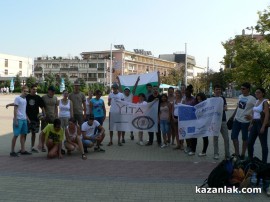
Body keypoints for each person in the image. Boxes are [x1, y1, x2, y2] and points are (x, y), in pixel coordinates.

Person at [6, 84, 46, 153]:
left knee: (33, 133)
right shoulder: (26, 97)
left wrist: (44, 114)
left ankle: (32, 147)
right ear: (30, 89)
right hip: (26, 118)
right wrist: (10, 104)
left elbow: (42, 107)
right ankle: (22, 148)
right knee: (24, 134)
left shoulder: (38, 97)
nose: (35, 91)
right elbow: (17, 104)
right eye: (33, 89)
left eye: (36, 90)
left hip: (35, 118)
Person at [230, 82, 256, 160]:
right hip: (237, 120)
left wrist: (252, 117)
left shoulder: (252, 99)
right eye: (241, 88)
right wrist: (232, 116)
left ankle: (242, 154)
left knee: (244, 138)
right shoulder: (240, 96)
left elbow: (256, 110)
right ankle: (237, 153)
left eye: (243, 89)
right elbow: (238, 107)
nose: (242, 90)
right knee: (233, 136)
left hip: (245, 122)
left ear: (248, 89)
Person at [248, 87, 269, 163]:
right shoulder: (256, 101)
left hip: (261, 123)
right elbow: (254, 113)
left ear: (263, 93)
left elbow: (267, 115)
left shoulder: (265, 101)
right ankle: (250, 159)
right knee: (249, 142)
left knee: (263, 144)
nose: (257, 94)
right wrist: (251, 124)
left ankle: (264, 162)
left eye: (259, 92)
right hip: (254, 123)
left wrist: (263, 126)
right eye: (256, 92)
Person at [10, 86, 32, 157]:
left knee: (23, 135)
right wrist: (15, 120)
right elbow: (15, 109)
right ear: (22, 91)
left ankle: (23, 150)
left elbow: (23, 110)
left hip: (24, 119)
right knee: (16, 135)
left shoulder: (25, 99)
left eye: (27, 91)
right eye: (25, 91)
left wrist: (27, 118)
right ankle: (12, 151)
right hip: (18, 119)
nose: (26, 92)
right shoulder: (17, 98)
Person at [117, 76, 140, 142]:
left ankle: (131, 134)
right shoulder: (122, 95)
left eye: (128, 91)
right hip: (123, 113)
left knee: (131, 124)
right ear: (124, 91)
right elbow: (120, 88)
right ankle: (123, 138)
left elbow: (134, 88)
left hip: (130, 112)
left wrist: (137, 81)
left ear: (129, 91)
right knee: (124, 125)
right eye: (126, 91)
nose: (127, 92)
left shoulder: (131, 95)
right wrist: (118, 80)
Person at [212, 84, 230, 160]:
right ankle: (216, 154)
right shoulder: (211, 99)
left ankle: (227, 155)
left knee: (226, 138)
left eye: (219, 89)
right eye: (217, 89)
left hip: (223, 121)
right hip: (215, 122)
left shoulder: (222, 98)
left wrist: (218, 108)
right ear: (214, 90)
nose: (218, 91)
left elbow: (226, 108)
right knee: (215, 138)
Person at [40, 86, 58, 152]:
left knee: (53, 132)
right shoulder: (43, 97)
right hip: (45, 117)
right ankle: (42, 146)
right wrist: (42, 114)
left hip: (53, 117)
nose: (53, 92)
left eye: (54, 91)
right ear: (48, 91)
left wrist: (56, 115)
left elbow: (56, 107)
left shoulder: (55, 98)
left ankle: (53, 145)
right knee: (43, 132)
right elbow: (41, 106)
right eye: (52, 91)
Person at [182, 85, 196, 155]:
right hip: (185, 119)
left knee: (191, 134)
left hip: (192, 120)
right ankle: (188, 146)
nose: (186, 94)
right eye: (185, 93)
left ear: (190, 92)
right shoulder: (184, 100)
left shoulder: (194, 99)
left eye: (187, 93)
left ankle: (191, 147)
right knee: (186, 134)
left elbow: (196, 108)